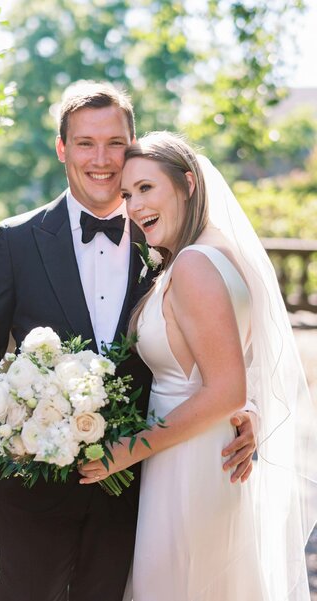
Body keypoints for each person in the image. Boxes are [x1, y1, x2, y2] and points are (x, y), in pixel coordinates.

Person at [0, 84, 257, 601]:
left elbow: (213, 349)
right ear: (62, 149)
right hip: (33, 494)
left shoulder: (163, 238)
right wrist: (5, 459)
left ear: (132, 144)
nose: (101, 159)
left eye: (115, 143)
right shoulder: (17, 241)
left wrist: (240, 410)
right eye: (85, 143)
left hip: (139, 490)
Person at [79, 131, 317, 600]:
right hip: (198, 454)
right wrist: (247, 410)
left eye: (147, 188)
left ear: (188, 183)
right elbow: (231, 369)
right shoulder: (219, 251)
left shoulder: (192, 264)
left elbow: (226, 389)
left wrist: (126, 450)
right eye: (127, 193)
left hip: (188, 466)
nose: (134, 205)